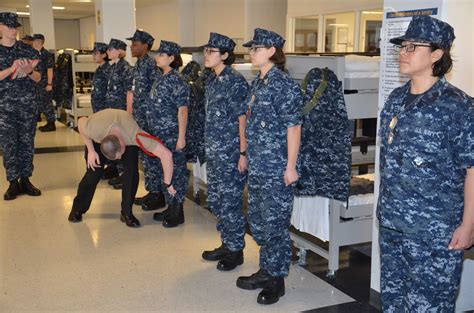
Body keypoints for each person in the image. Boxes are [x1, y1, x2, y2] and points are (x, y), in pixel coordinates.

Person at [378, 15, 474, 312]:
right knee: (393, 302)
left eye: (413, 47)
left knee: (429, 307)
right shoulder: (396, 99)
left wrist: (468, 225)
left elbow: (472, 169)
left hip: (434, 232)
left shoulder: (458, 106)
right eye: (402, 46)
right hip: (393, 223)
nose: (403, 52)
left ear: (436, 54)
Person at [236, 28, 303, 305]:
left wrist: (290, 166)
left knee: (275, 225)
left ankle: (277, 280)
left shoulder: (283, 85)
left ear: (272, 51)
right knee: (260, 223)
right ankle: (266, 269)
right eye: (251, 49)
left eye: (256, 49)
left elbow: (294, 127)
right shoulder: (258, 83)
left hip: (277, 168)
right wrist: (247, 155)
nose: (251, 53)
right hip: (259, 166)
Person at [67, 109, 175, 228]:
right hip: (98, 136)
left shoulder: (135, 135)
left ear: (122, 145)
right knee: (93, 173)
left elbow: (166, 154)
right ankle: (77, 209)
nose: (119, 159)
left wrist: (168, 183)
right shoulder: (93, 129)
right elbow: (81, 121)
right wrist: (91, 151)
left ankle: (126, 213)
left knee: (131, 173)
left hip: (126, 133)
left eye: (119, 156)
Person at [199, 32, 249, 271]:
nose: (205, 55)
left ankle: (235, 250)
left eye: (211, 52)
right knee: (218, 201)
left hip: (230, 154)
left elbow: (242, 119)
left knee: (230, 202)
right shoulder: (212, 80)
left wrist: (242, 152)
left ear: (225, 55)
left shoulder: (235, 81)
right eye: (205, 51)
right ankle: (227, 243)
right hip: (215, 153)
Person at [147, 40, 189, 228]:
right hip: (158, 134)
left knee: (176, 171)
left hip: (172, 134)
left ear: (172, 58)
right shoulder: (160, 77)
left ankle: (177, 211)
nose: (157, 57)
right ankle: (169, 205)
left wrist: (181, 137)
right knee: (164, 170)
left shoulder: (177, 80)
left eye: (162, 55)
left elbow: (182, 111)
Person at [0, 12, 42, 201]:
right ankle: (12, 182)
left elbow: (39, 78)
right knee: (9, 145)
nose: (14, 30)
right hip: (4, 107)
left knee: (27, 142)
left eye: (15, 26)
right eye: (10, 26)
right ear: (1, 27)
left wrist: (29, 71)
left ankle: (26, 179)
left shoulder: (27, 50)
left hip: (27, 105)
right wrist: (12, 69)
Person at [125, 29, 166, 211]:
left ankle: (159, 194)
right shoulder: (139, 65)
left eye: (135, 44)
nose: (131, 47)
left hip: (151, 120)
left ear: (145, 46)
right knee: (146, 157)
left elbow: (158, 93)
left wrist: (152, 117)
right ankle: (152, 190)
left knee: (153, 156)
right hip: (140, 119)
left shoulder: (151, 64)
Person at [104, 38, 133, 189]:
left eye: (111, 49)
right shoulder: (114, 67)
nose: (108, 52)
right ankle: (119, 172)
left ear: (119, 51)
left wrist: (127, 114)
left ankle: (124, 176)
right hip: (113, 113)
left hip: (121, 113)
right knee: (116, 142)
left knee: (123, 144)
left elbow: (129, 93)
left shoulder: (126, 68)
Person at [33, 33, 56, 132]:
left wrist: (49, 84)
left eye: (34, 40)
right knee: (37, 102)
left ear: (39, 42)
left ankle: (51, 124)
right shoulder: (33, 53)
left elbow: (50, 70)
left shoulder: (46, 54)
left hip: (44, 83)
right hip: (35, 84)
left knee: (46, 103)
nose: (33, 42)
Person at [90, 42, 110, 113]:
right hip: (97, 106)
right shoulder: (98, 70)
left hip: (104, 108)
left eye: (96, 53)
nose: (93, 55)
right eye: (93, 53)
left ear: (104, 55)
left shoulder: (109, 70)